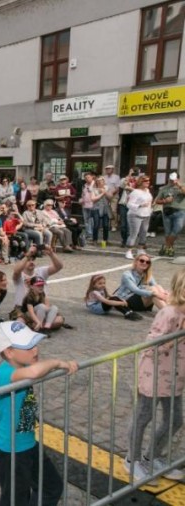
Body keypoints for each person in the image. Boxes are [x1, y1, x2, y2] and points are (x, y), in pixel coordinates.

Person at [0, 321, 78, 506]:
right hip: (10, 448)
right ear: (9, 352)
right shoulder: (3, 373)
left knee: (51, 487)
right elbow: (36, 372)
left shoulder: (21, 368)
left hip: (27, 442)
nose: (35, 350)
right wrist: (58, 362)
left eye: (35, 344)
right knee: (14, 499)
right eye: (28, 346)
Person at [124, 268, 185, 483]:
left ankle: (152, 456)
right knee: (143, 417)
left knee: (175, 419)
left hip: (175, 377)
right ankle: (132, 460)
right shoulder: (168, 313)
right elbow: (150, 346)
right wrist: (177, 336)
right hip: (154, 373)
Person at [156, 172, 185, 257]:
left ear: (178, 179)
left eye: (173, 180)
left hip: (180, 211)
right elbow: (157, 200)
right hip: (167, 212)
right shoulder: (164, 188)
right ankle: (170, 248)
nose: (172, 182)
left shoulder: (182, 186)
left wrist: (179, 186)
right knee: (168, 232)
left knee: (177, 229)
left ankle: (166, 246)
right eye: (170, 180)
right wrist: (165, 201)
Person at [125, 175, 153, 260]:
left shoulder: (147, 191)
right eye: (146, 181)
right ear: (141, 182)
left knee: (143, 233)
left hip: (146, 215)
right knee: (134, 233)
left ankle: (140, 250)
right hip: (135, 215)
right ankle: (129, 251)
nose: (148, 182)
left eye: (148, 180)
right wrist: (140, 205)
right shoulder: (136, 192)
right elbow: (129, 204)